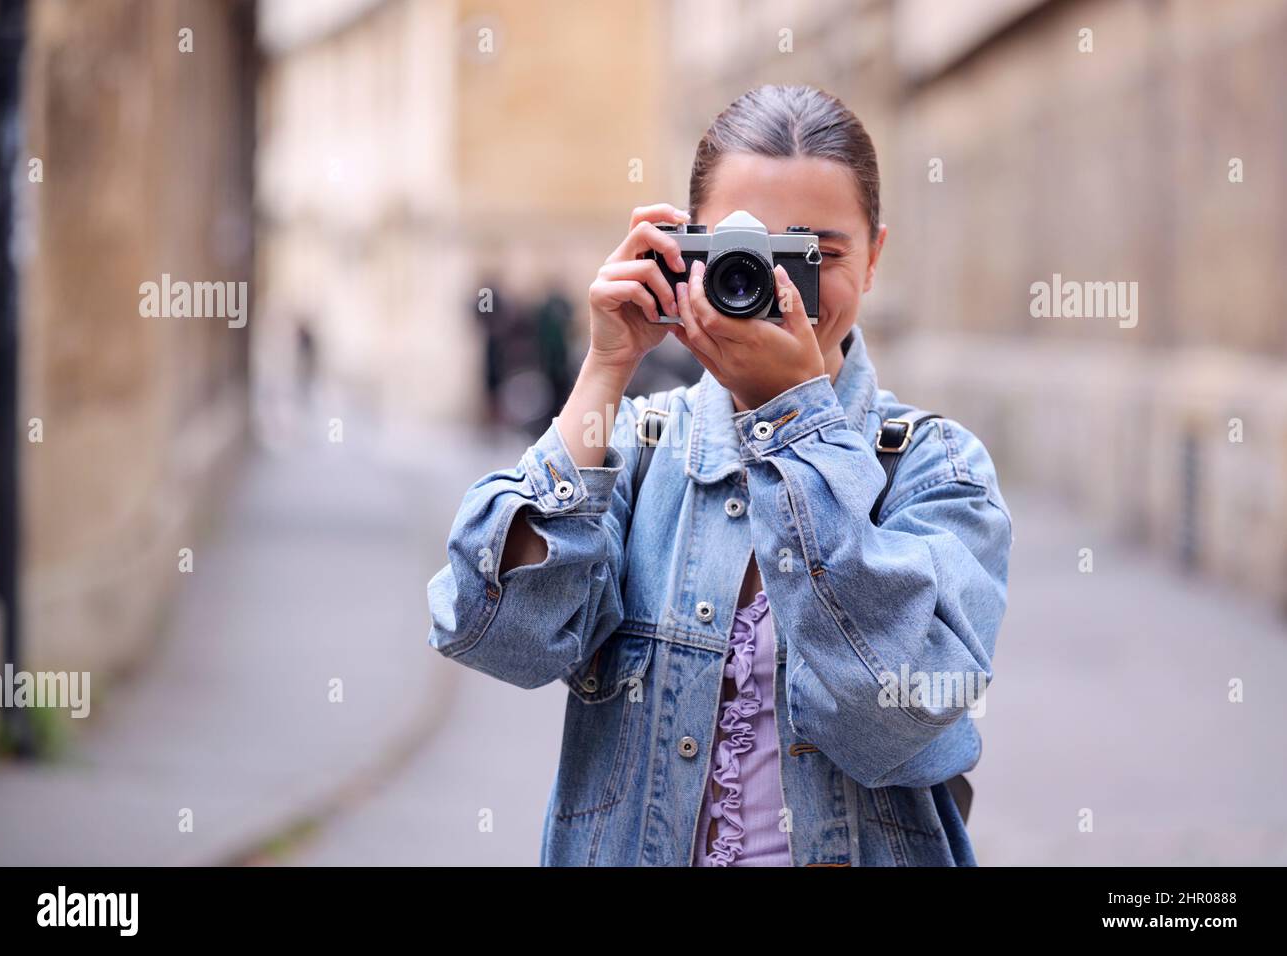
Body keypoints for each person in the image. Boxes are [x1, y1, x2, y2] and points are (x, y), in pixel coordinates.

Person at [428, 85, 1013, 866]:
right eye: (748, 255)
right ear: (683, 253)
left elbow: (899, 713)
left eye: (816, 256)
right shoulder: (636, 446)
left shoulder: (936, 470)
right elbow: (494, 634)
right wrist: (606, 367)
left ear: (874, 257)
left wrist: (794, 417)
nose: (775, 287)